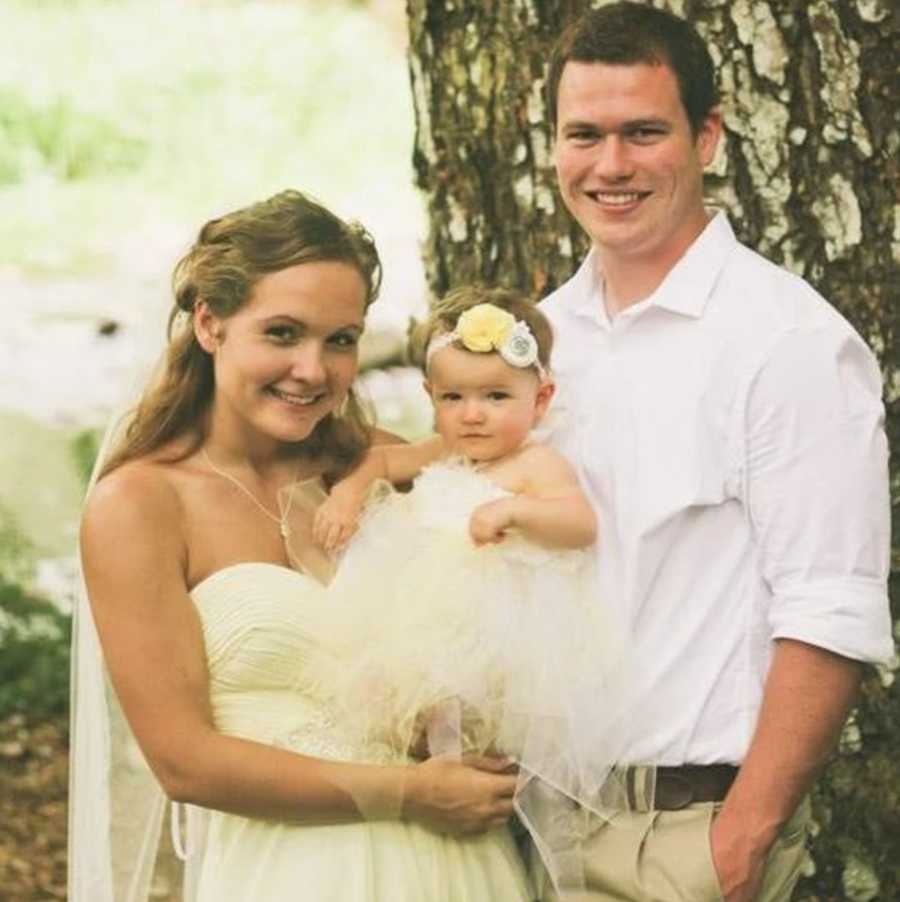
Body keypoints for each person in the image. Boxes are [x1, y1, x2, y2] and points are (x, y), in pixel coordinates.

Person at [68, 189, 533, 902]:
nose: (314, 370)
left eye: (340, 339)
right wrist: (411, 793)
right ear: (210, 324)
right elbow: (184, 762)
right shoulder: (140, 505)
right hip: (290, 875)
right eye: (283, 333)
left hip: (459, 869)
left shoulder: (384, 467)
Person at [536, 4, 893, 901]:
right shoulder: (541, 339)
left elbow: (830, 610)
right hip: (536, 830)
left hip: (688, 839)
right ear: (551, 144)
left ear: (707, 136)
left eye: (643, 132)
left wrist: (741, 839)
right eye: (584, 134)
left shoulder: (784, 341)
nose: (610, 166)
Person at [310, 287, 630, 893]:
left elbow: (579, 523)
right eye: (453, 398)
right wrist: (348, 494)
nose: (473, 414)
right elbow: (379, 465)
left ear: (541, 400)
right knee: (405, 698)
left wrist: (515, 511)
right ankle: (428, 787)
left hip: (505, 626)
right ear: (430, 398)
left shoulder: (534, 465)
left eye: (495, 397)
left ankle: (484, 816)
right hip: (432, 619)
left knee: (483, 721)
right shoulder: (442, 452)